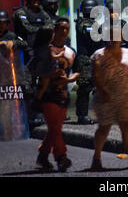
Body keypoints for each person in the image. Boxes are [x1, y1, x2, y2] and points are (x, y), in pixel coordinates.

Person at [90, 27, 128, 170]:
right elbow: (96, 77)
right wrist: (103, 92)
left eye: (117, 36)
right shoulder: (99, 55)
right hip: (106, 97)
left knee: (127, 127)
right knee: (104, 128)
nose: (114, 39)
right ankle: (96, 158)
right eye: (111, 36)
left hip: (125, 97)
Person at [34, 17, 80, 172]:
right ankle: (61, 157)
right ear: (55, 30)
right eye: (61, 28)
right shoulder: (45, 50)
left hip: (63, 95)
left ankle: (42, 155)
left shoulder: (71, 51)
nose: (64, 32)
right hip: (47, 95)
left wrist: (70, 79)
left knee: (55, 128)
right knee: (55, 128)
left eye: (67, 28)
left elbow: (78, 70)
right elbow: (33, 68)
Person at [13, 0, 53, 127]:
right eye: (33, 0)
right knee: (26, 86)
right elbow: (27, 28)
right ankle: (26, 116)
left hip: (39, 53)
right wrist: (42, 30)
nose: (36, 3)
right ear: (28, 0)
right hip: (24, 53)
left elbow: (50, 26)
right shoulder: (21, 13)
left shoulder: (43, 13)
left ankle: (37, 114)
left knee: (41, 86)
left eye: (38, 1)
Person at [74, 0, 102, 125]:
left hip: (94, 60)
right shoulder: (83, 23)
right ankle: (82, 115)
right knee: (84, 89)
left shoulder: (94, 23)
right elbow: (95, 36)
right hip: (85, 61)